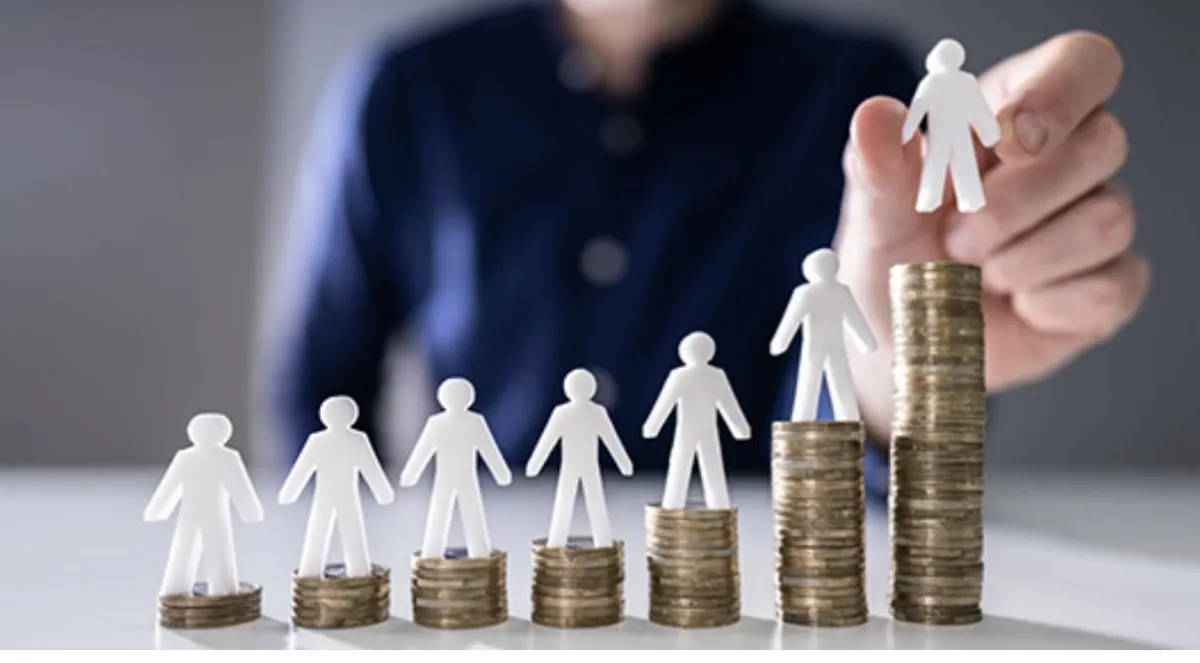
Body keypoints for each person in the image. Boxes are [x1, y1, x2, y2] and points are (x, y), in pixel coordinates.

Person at [269, 0, 1148, 498]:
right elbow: (315, 391)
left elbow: (869, 375)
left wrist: (906, 380)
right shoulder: (405, 92)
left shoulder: (857, 88)